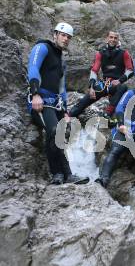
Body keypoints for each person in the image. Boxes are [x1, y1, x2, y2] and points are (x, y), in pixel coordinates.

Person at [27, 22, 87, 185]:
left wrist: (66, 111)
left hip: (56, 104)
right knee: (54, 131)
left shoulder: (61, 59)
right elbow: (32, 68)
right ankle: (58, 174)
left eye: (69, 37)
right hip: (40, 102)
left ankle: (67, 174)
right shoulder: (43, 47)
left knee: (62, 133)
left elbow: (61, 87)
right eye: (63, 35)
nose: (66, 39)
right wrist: (35, 94)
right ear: (55, 34)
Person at [69, 31, 134, 120]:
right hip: (104, 84)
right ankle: (70, 114)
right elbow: (94, 70)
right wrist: (91, 86)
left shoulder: (124, 53)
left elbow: (130, 70)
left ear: (118, 40)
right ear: (107, 38)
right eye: (111, 37)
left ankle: (107, 113)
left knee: (123, 87)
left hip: (117, 84)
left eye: (115, 38)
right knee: (85, 100)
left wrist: (119, 80)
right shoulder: (101, 53)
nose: (113, 40)